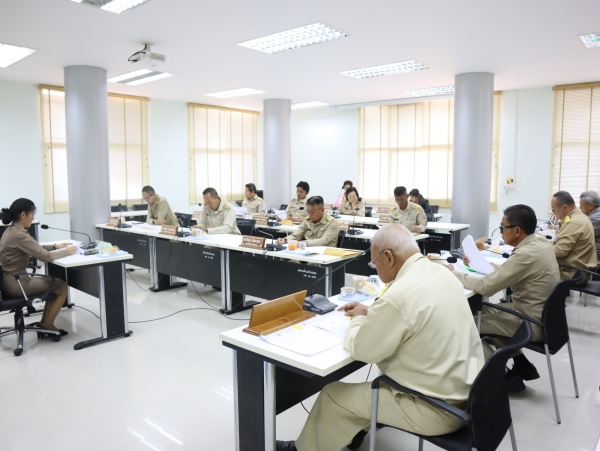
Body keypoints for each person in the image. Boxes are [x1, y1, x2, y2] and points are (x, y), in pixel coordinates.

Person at [276, 224, 484, 451]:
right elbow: (416, 315)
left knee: (333, 394)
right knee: (370, 390)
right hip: (469, 396)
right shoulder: (441, 273)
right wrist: (374, 312)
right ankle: (351, 434)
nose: (375, 270)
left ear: (389, 257)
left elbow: (361, 349)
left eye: (374, 263)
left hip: (435, 409)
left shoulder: (400, 294)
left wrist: (358, 319)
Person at [446, 204, 559, 383]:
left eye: (502, 227)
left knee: (466, 325)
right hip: (541, 316)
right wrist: (474, 264)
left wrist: (453, 273)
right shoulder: (541, 244)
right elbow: (510, 270)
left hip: (530, 321)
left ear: (517, 230)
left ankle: (501, 376)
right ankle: (522, 364)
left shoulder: (526, 253)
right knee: (484, 312)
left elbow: (487, 287)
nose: (501, 232)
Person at [0, 199, 76, 336]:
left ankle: (45, 323)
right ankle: (47, 324)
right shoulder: (19, 235)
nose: (33, 218)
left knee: (54, 283)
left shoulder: (12, 230)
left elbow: (33, 247)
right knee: (60, 285)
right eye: (32, 214)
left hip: (9, 281)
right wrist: (67, 251)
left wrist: (55, 247)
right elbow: (45, 257)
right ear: (23, 214)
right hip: (17, 284)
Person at [551, 191, 597, 284]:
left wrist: (540, 249)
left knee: (533, 272)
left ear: (564, 207)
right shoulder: (577, 217)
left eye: (553, 209)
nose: (553, 212)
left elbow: (559, 251)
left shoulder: (574, 222)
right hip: (575, 269)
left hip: (573, 273)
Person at [579, 190, 600, 260]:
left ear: (590, 205)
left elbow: (582, 237)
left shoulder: (594, 219)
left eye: (581, 205)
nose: (580, 207)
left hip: (596, 255)